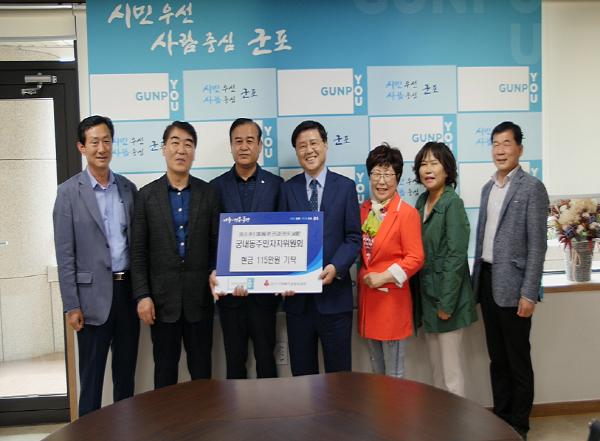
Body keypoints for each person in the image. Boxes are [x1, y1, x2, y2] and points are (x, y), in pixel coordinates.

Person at [53, 115, 139, 416]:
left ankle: (126, 431)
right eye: (94, 142)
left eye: (106, 141)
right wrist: (71, 305)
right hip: (90, 300)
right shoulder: (68, 193)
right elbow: (65, 254)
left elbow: (136, 244)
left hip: (127, 293)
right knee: (91, 380)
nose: (101, 148)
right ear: (82, 147)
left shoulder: (127, 188)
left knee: (126, 376)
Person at [472, 121, 548, 440]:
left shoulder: (532, 188)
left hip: (515, 287)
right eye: (495, 143)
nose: (500, 150)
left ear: (519, 148)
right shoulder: (488, 188)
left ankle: (519, 424)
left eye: (506, 143)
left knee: (518, 360)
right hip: (488, 281)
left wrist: (529, 293)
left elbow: (537, 246)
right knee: (497, 358)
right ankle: (501, 418)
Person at [131, 121, 220, 389]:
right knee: (164, 374)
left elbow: (216, 245)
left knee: (202, 374)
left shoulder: (209, 194)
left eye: (188, 144)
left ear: (194, 152)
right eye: (175, 143)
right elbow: (138, 252)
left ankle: (203, 417)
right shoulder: (146, 196)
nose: (181, 150)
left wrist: (217, 272)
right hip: (161, 303)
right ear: (163, 149)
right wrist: (143, 295)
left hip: (199, 300)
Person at [278, 120, 361, 376]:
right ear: (296, 151)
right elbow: (282, 240)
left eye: (313, 143)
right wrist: (283, 277)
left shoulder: (345, 187)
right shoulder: (287, 189)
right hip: (298, 304)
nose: (309, 150)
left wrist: (336, 267)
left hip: (335, 300)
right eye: (302, 146)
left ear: (325, 145)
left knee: (340, 379)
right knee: (303, 379)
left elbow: (353, 237)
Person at [209, 118, 283, 379]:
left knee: (266, 361)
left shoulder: (276, 186)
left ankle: (268, 407)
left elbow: (284, 236)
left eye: (250, 141)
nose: (243, 146)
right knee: (234, 363)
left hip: (265, 295)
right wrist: (214, 272)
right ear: (231, 146)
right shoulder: (215, 188)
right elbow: (210, 238)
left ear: (260, 146)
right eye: (238, 141)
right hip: (230, 296)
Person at [413, 142, 477, 396]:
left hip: (447, 300)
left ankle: (456, 420)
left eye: (434, 163)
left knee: (451, 374)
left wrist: (447, 304)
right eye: (423, 164)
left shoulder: (453, 203)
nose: (428, 170)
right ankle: (440, 419)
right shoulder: (421, 201)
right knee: (436, 371)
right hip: (427, 298)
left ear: (447, 170)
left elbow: (456, 257)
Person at [357, 143, 424, 378]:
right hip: (369, 301)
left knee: (394, 377)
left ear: (398, 177)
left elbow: (416, 258)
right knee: (376, 374)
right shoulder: (363, 210)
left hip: (392, 304)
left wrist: (384, 277)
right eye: (376, 173)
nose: (382, 181)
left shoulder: (407, 213)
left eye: (388, 174)